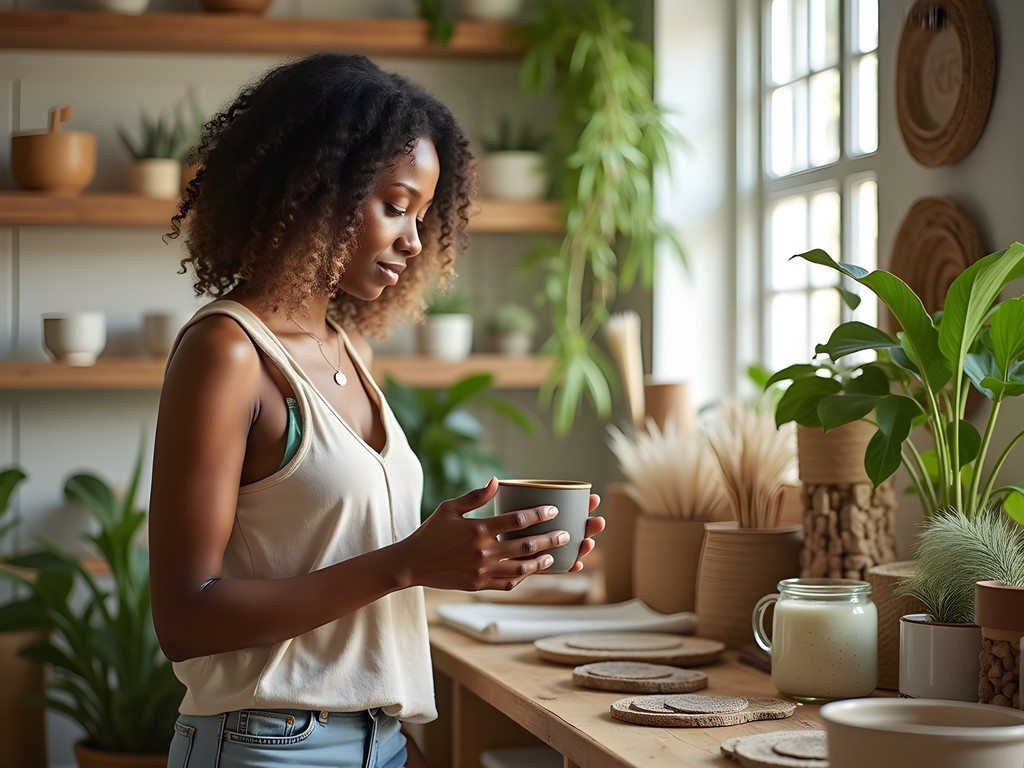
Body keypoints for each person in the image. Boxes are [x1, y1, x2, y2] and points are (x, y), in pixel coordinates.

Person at [149, 52, 604, 768]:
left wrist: (483, 553)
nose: (415, 241)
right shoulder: (229, 353)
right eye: (394, 206)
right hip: (264, 747)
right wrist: (408, 563)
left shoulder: (347, 347)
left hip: (377, 743)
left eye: (422, 215)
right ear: (313, 190)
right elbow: (183, 617)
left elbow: (346, 558)